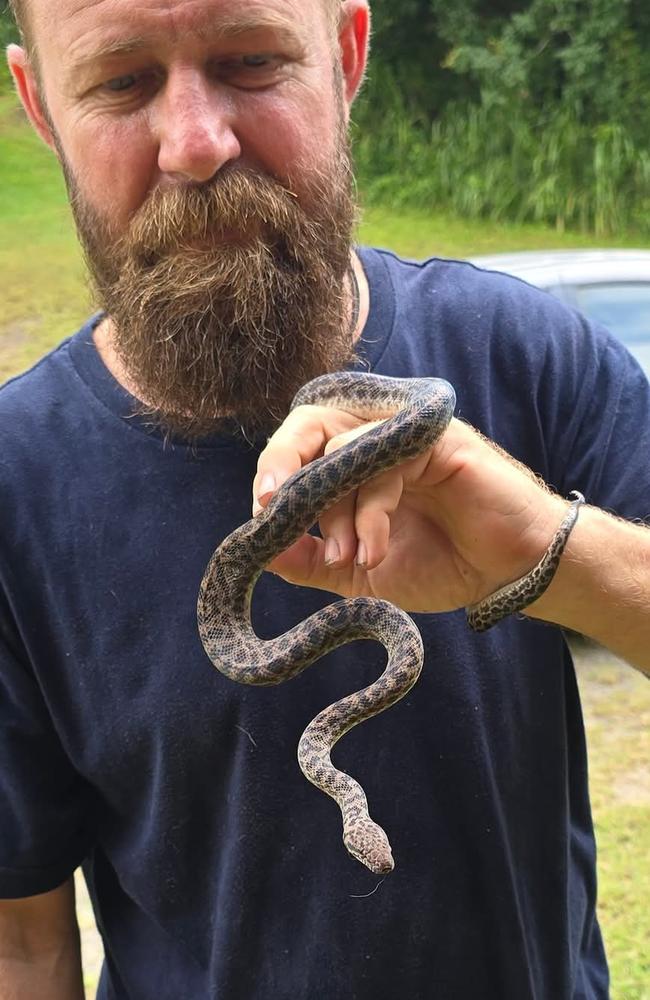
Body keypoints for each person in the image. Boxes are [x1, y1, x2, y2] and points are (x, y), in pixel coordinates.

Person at [0, 0, 648, 997]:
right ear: (38, 103)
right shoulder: (13, 488)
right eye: (121, 81)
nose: (197, 146)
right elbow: (22, 944)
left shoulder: (523, 354)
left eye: (251, 60)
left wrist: (544, 548)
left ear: (345, 57)